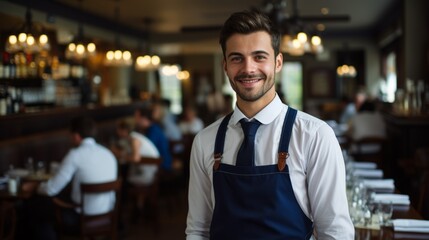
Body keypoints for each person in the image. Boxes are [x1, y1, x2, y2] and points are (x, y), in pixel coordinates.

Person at [186, 9, 354, 240]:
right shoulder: (205, 141)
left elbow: (335, 232)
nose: (248, 69)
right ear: (225, 66)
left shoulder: (315, 135)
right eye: (237, 58)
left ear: (278, 62)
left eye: (259, 57)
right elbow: (198, 231)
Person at [22, 116, 118, 240]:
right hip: (107, 216)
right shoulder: (108, 153)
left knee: (38, 209)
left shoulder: (75, 154)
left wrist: (35, 186)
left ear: (76, 136)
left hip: (80, 219)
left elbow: (51, 189)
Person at [111, 120, 160, 185]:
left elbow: (135, 158)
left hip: (149, 174)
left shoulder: (135, 139)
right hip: (147, 171)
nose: (117, 132)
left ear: (125, 130)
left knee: (122, 179)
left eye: (119, 130)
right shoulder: (132, 137)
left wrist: (120, 154)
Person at [134, 104, 173, 172]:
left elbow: (146, 151)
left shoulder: (153, 130)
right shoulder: (150, 128)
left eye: (137, 117)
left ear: (144, 118)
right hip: (156, 163)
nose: (135, 120)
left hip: (161, 165)